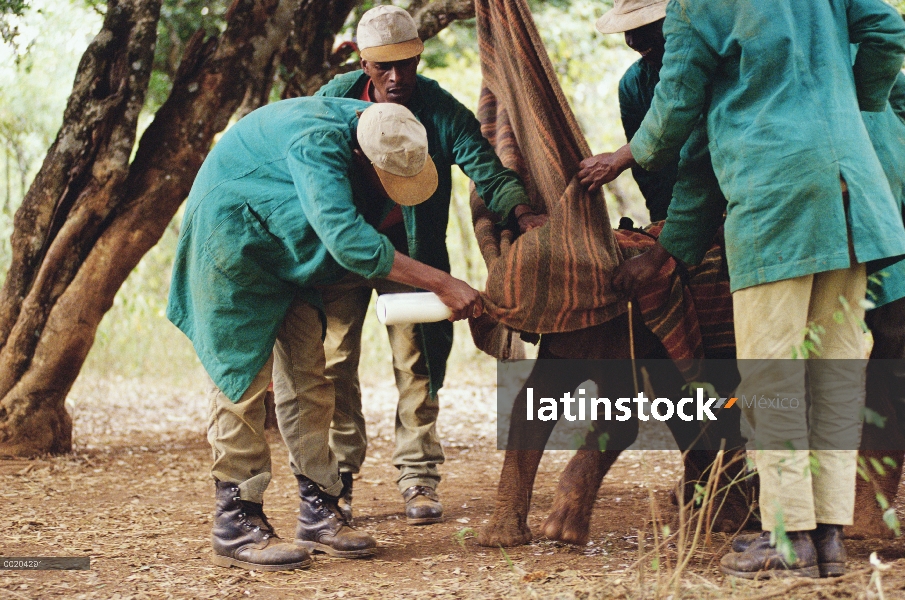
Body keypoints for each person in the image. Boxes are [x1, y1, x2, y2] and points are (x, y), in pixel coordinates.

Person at [579, 0, 905, 579]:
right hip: (853, 195)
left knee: (771, 373)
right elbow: (886, 27)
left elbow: (674, 117)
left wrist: (631, 154)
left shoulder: (696, 8)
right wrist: (854, 103)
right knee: (833, 371)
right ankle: (826, 539)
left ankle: (788, 538)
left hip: (776, 201)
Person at [166, 99, 484, 571]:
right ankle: (236, 520)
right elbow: (347, 238)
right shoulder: (317, 141)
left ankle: (320, 510)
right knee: (241, 383)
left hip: (282, 249)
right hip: (230, 242)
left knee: (309, 380)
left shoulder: (379, 122)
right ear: (362, 158)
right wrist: (441, 282)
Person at [309, 4, 545, 525]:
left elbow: (488, 169)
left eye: (407, 65)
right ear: (362, 63)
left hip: (409, 258)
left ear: (420, 57)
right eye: (382, 67)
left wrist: (523, 211)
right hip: (341, 253)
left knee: (416, 363)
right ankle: (337, 478)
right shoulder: (332, 104)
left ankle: (418, 476)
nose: (396, 78)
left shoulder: (439, 110)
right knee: (332, 361)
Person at [587, 0, 674, 221]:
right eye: (627, 29)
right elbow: (650, 176)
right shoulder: (632, 85)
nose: (632, 40)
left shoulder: (711, 64)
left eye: (643, 26)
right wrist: (663, 225)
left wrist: (619, 158)